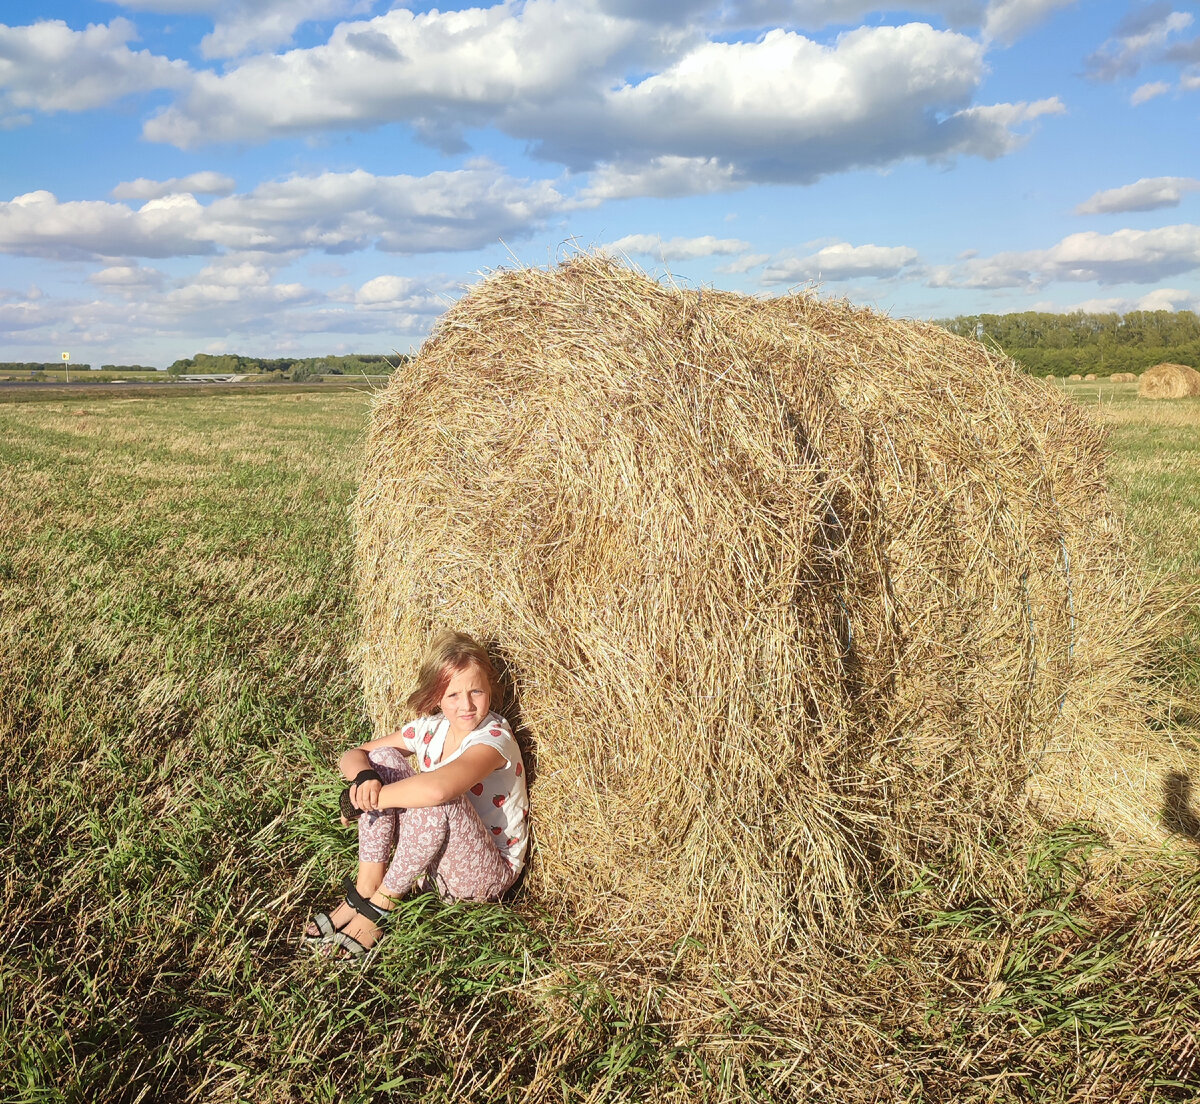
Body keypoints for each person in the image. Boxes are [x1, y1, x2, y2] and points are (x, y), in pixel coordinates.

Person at [305, 630, 529, 957]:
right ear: (436, 695)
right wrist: (363, 780)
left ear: (490, 689)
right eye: (452, 695)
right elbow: (354, 754)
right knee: (381, 760)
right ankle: (367, 885)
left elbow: (438, 790)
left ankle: (381, 906)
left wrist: (366, 800)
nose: (466, 705)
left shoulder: (495, 738)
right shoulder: (430, 729)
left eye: (476, 691)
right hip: (435, 863)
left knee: (435, 793)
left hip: (486, 874)